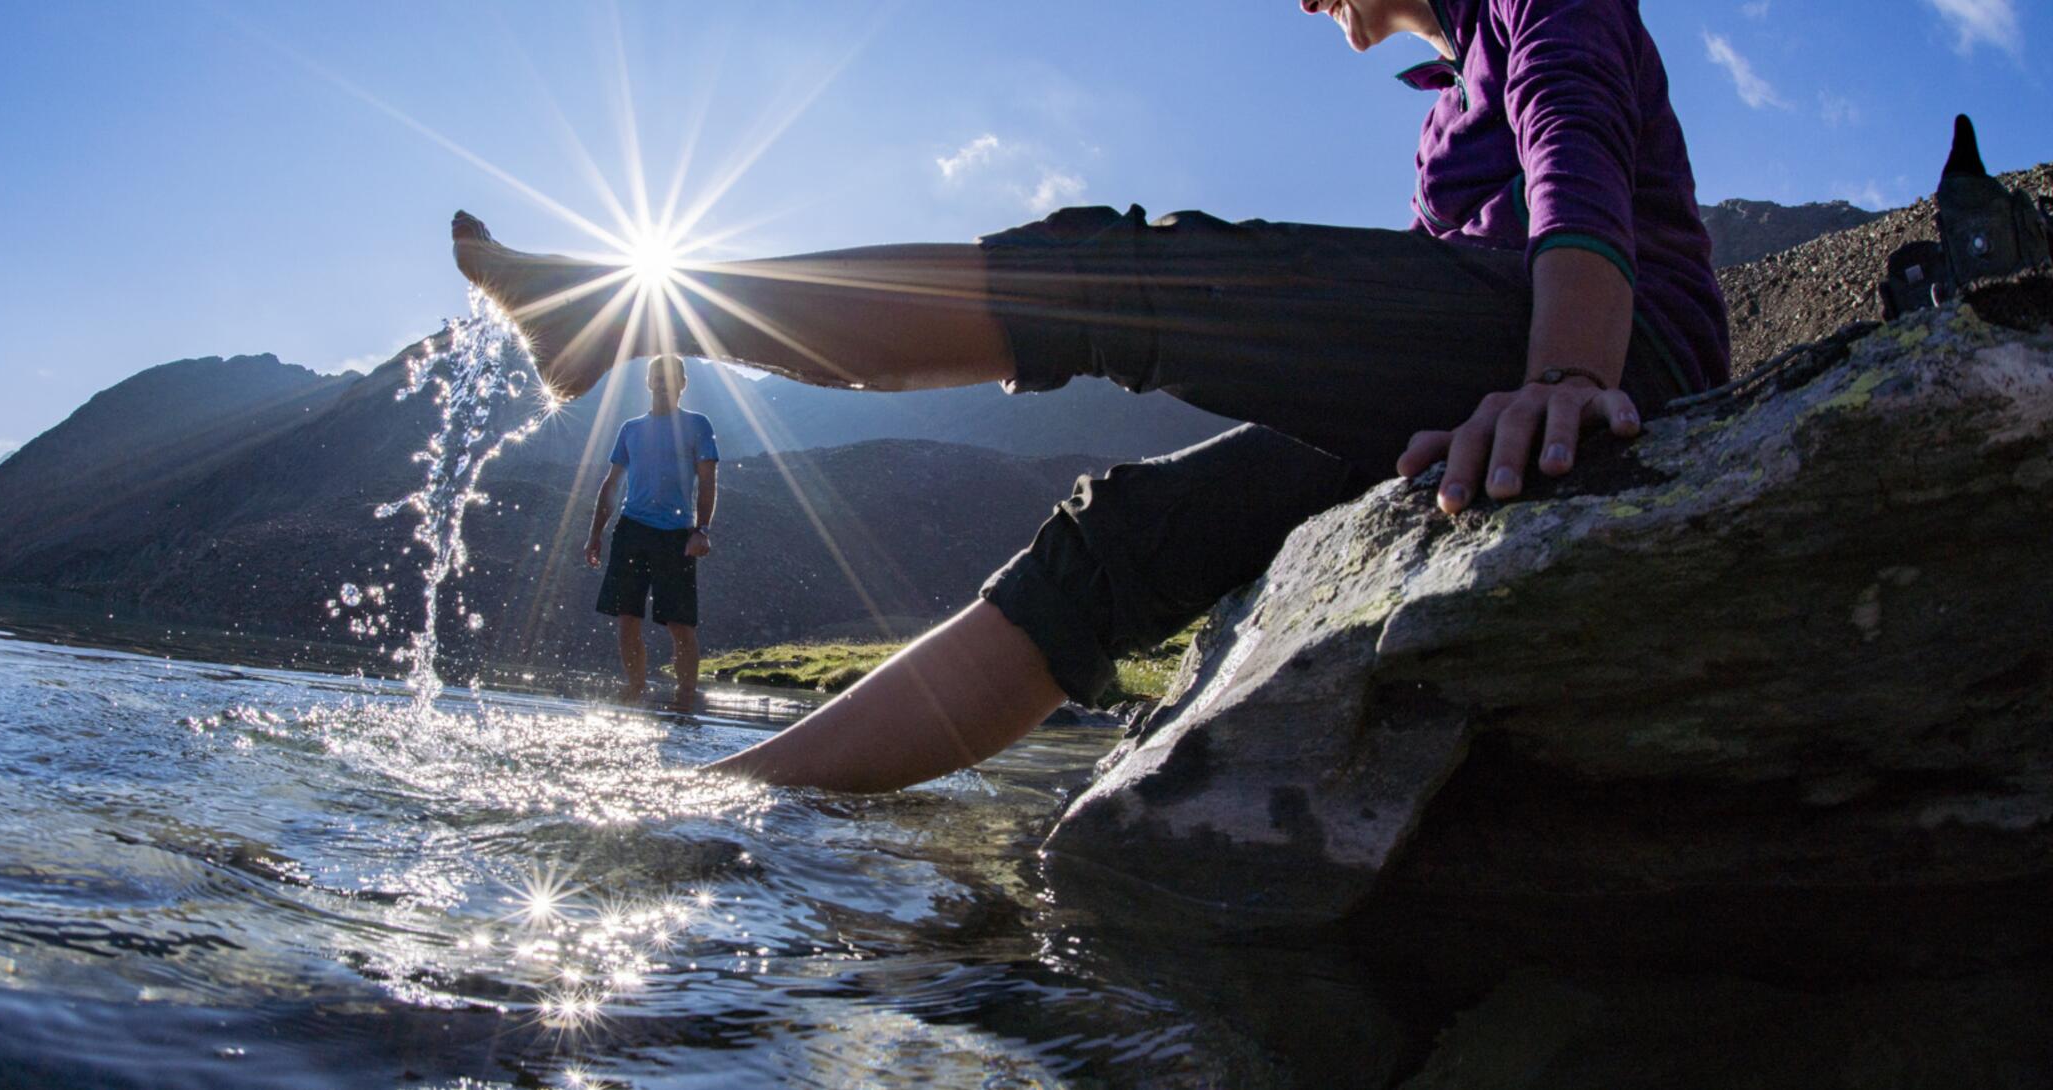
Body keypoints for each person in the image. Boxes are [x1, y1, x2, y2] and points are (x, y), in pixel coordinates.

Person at [456, 0, 1726, 789]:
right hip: (1501, 364)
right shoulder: (1447, 105)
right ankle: (729, 798)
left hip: (1611, 359)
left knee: (1125, 277)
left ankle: (630, 308)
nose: (1296, 0)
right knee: (1119, 533)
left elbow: (1574, 156)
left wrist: (1565, 374)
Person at [588, 354, 719, 709]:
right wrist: (595, 533)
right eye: (656, 377)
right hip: (631, 529)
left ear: (682, 384)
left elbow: (708, 481)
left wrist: (702, 530)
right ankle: (635, 690)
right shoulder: (630, 428)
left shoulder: (698, 425)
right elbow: (611, 484)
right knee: (627, 618)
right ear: (648, 383)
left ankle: (685, 697)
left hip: (676, 535)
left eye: (670, 377)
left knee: (679, 624)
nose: (662, 382)